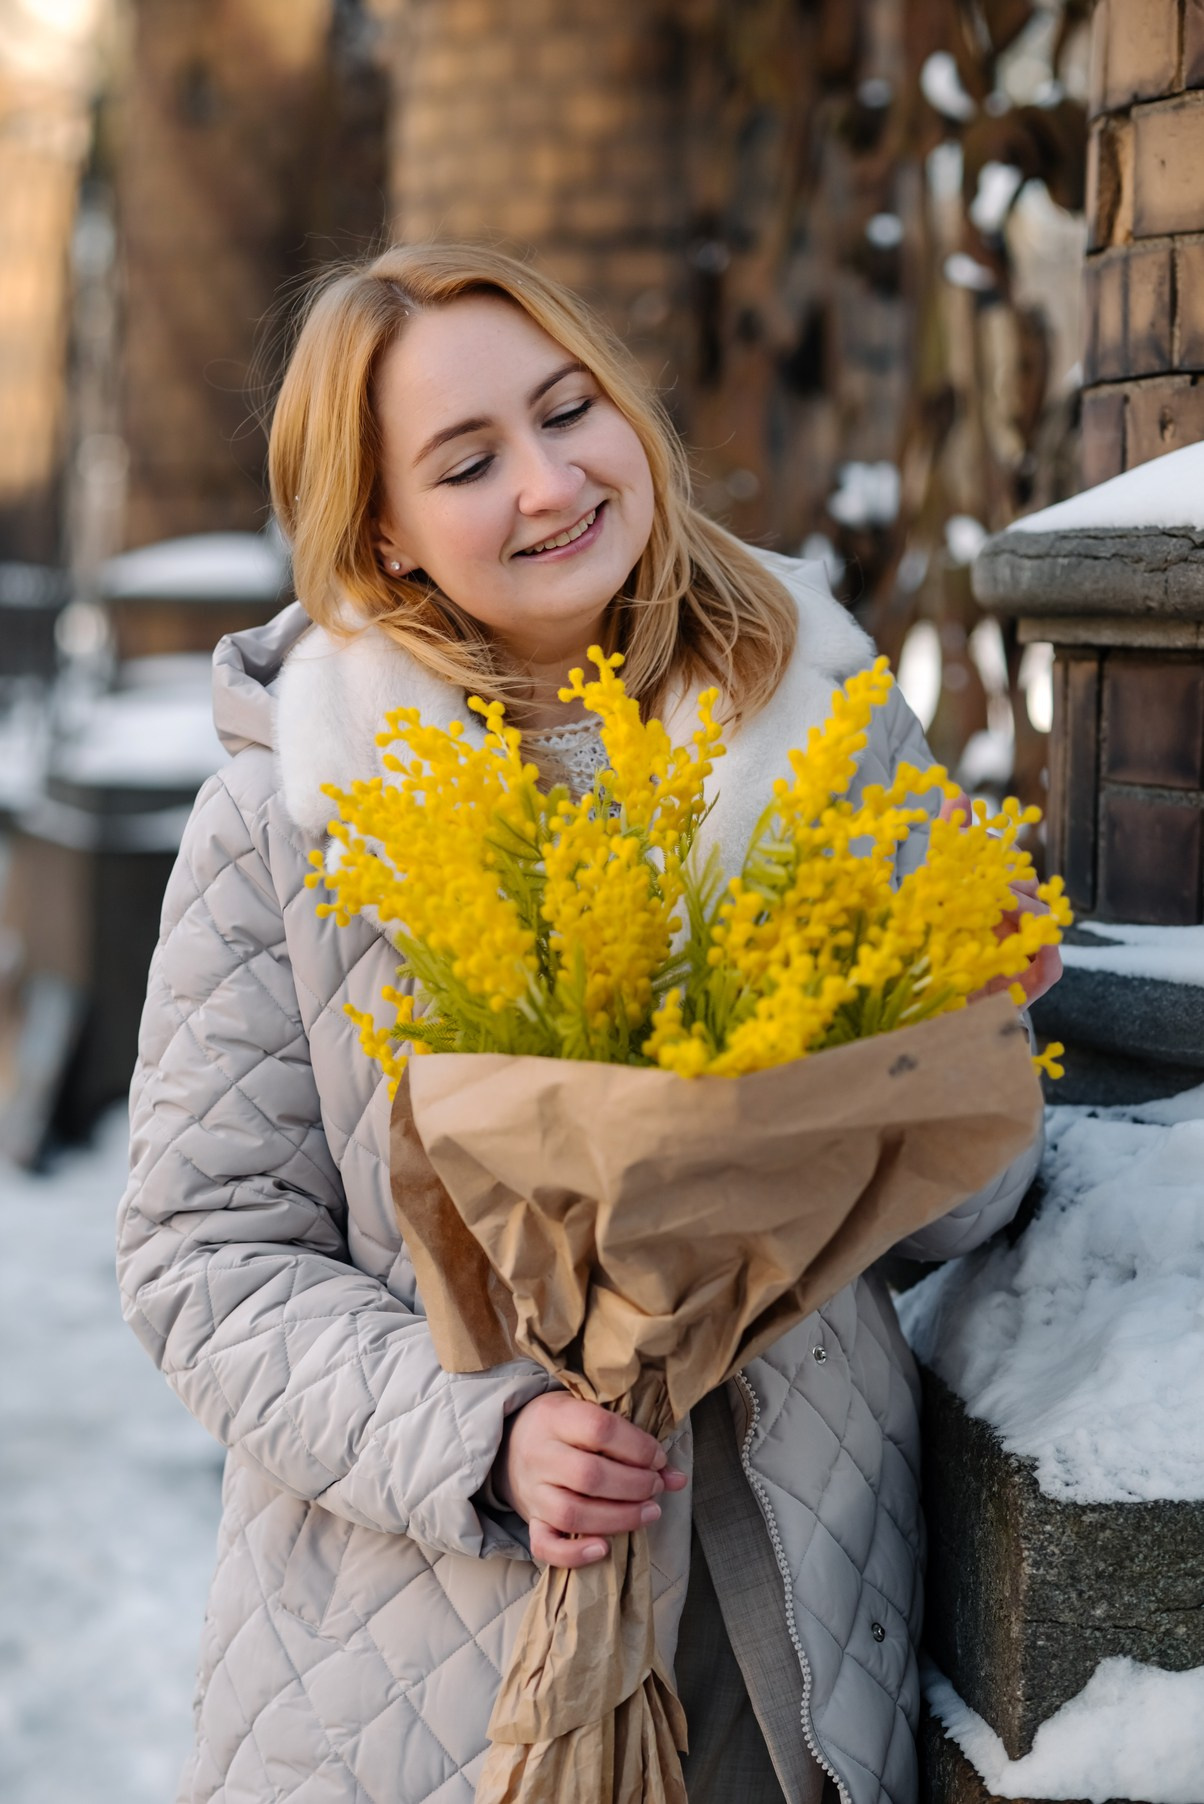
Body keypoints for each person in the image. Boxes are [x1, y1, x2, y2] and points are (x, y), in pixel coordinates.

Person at [117, 243, 1059, 1804]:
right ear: (386, 535)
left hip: (789, 1627)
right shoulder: (285, 819)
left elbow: (952, 1222)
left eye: (572, 410)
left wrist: (953, 1027)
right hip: (420, 1663)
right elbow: (199, 1252)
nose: (552, 481)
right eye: (469, 460)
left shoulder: (825, 732)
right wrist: (479, 1440)